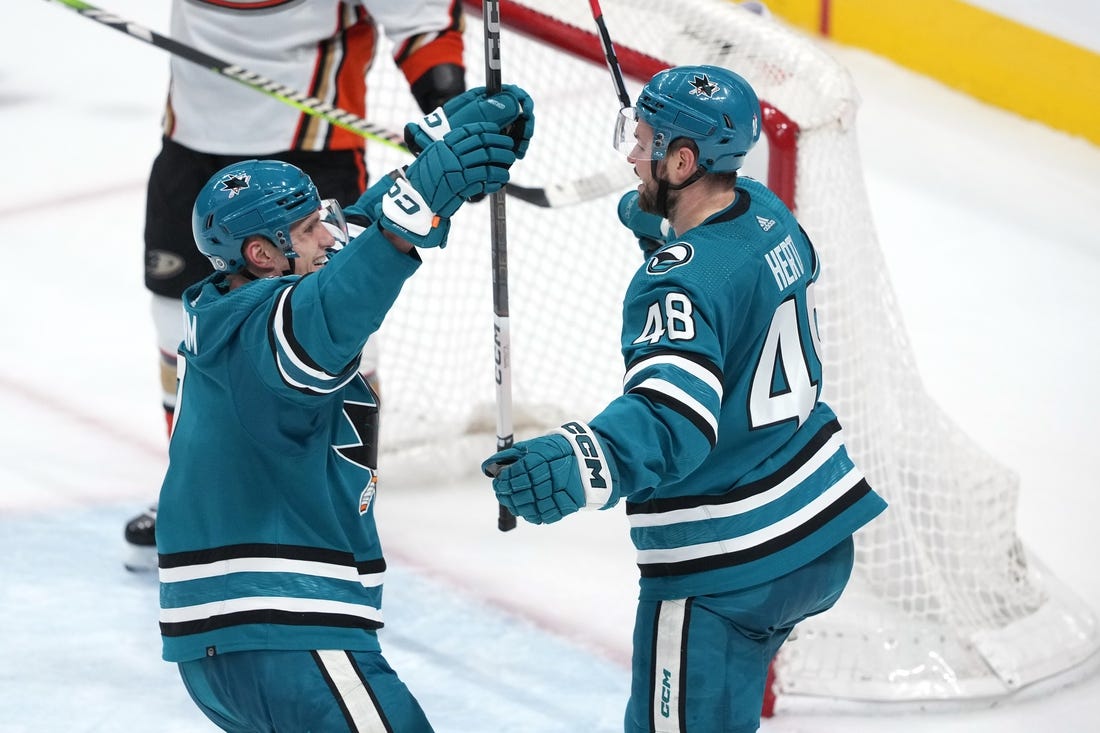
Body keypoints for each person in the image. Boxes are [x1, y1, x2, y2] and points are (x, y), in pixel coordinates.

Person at [483, 65, 887, 733]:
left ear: (683, 161)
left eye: (644, 143)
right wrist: (667, 226)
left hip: (729, 564)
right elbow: (734, 278)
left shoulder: (674, 286)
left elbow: (673, 420)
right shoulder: (768, 213)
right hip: (816, 540)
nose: (631, 157)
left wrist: (576, 459)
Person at [156, 87, 533, 731]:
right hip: (284, 628)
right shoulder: (268, 324)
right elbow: (343, 297)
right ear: (262, 254)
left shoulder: (231, 304)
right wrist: (421, 202)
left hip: (233, 643)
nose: (329, 234)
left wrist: (432, 159)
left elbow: (356, 234)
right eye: (309, 229)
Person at [126, 0, 469, 569]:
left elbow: (421, 21)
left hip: (310, 141)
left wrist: (448, 111)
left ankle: (342, 503)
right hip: (193, 136)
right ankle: (195, 494)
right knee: (177, 325)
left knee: (340, 327)